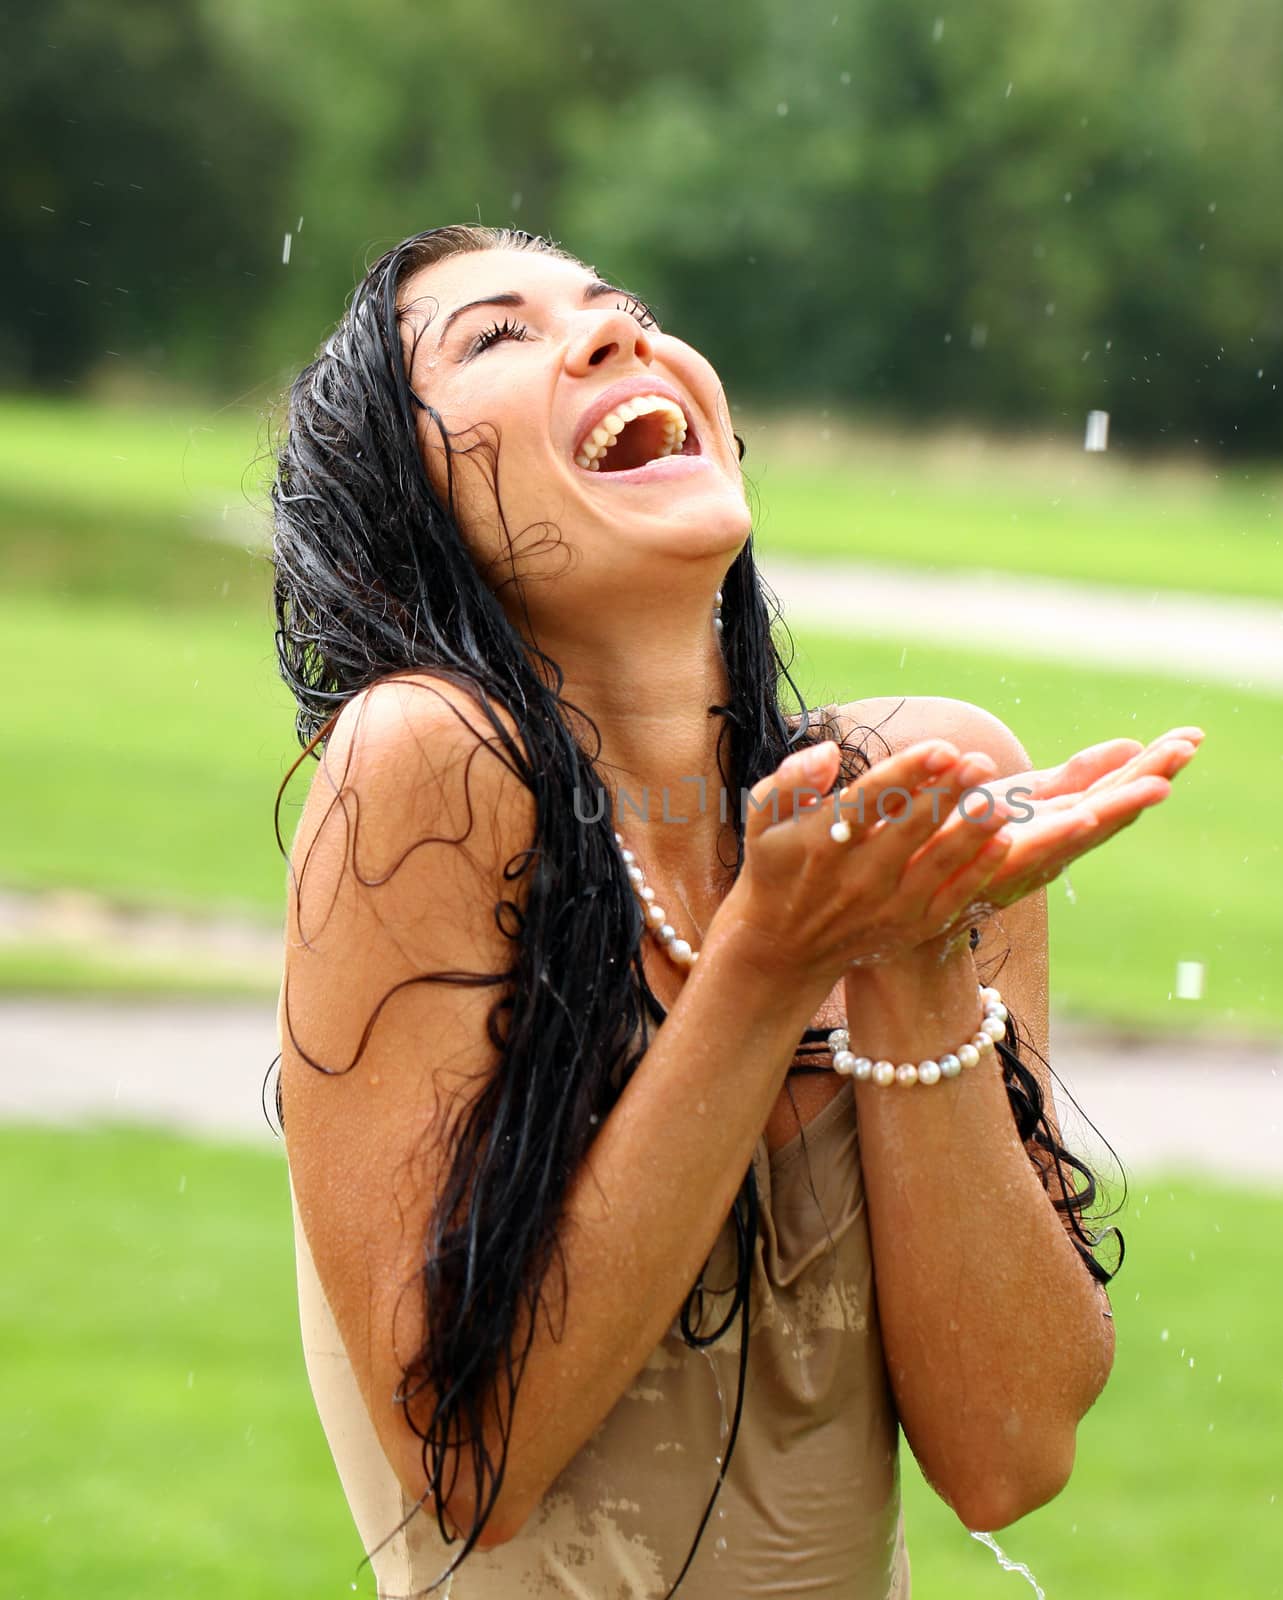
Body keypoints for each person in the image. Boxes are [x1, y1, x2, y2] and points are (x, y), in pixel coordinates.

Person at [265, 223, 1202, 1598]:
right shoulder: (421, 763)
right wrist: (770, 960)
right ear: (402, 508)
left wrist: (912, 945)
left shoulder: (905, 798)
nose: (613, 336)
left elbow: (1008, 1454)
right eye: (494, 337)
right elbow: (477, 1463)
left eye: (620, 307)